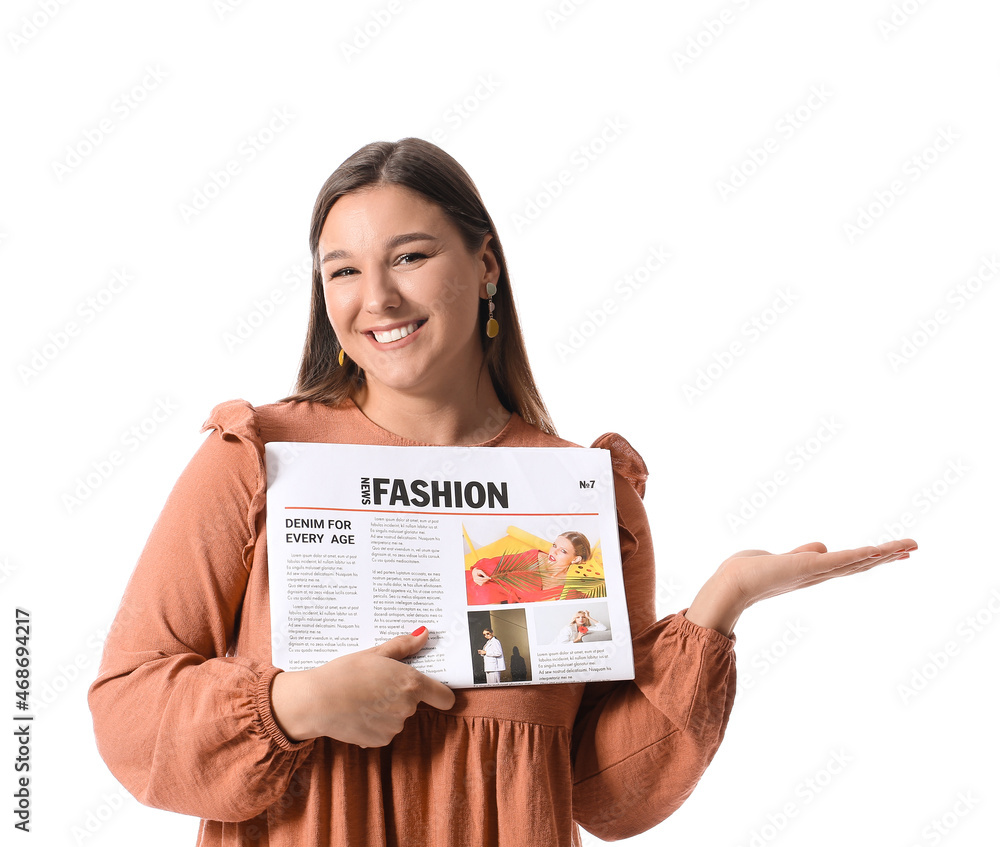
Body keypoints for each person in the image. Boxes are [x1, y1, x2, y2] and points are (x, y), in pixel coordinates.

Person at [88, 137, 917, 846]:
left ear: (485, 266)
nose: (376, 298)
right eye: (342, 270)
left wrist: (719, 607)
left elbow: (604, 788)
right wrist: (294, 702)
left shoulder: (578, 494)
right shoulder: (257, 458)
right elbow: (126, 712)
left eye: (409, 256)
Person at [466, 531, 597, 605]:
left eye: (562, 551)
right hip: (479, 588)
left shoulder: (570, 586)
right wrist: (476, 571)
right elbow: (496, 563)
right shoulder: (536, 557)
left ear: (576, 559)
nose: (553, 552)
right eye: (554, 545)